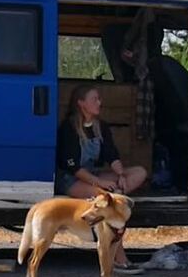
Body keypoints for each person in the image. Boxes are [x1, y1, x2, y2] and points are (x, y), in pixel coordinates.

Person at [56, 84, 149, 274]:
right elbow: (74, 168)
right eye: (95, 99)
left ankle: (113, 197)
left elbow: (111, 154)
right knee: (113, 202)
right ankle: (118, 258)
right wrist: (101, 184)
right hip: (71, 179)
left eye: (99, 99)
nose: (100, 102)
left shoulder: (101, 126)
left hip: (93, 175)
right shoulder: (69, 128)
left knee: (138, 173)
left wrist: (121, 174)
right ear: (81, 103)